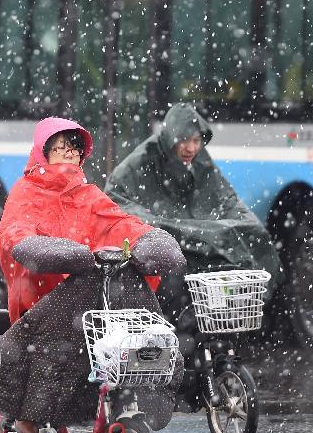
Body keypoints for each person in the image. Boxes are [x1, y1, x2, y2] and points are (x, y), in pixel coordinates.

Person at [0, 117, 186, 433]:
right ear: (43, 153)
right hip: (45, 305)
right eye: (59, 149)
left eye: (73, 150)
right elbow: (13, 233)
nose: (67, 156)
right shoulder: (27, 193)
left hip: (97, 309)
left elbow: (120, 224)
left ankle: (152, 374)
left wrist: (145, 241)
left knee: (127, 280)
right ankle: (31, 416)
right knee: (86, 283)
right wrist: (50, 251)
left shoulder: (88, 195)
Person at [104, 103, 283, 323]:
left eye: (197, 141)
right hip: (166, 256)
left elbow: (226, 200)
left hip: (194, 248)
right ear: (171, 139)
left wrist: (244, 228)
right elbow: (116, 198)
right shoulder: (141, 162)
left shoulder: (201, 162)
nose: (191, 148)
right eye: (184, 141)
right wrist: (159, 226)